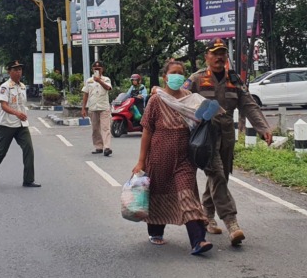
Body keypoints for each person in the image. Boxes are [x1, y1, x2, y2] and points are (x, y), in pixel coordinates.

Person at [185, 37, 273, 246]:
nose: (219, 57)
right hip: (205, 137)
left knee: (221, 175)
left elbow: (248, 104)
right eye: (214, 53)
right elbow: (183, 101)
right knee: (217, 175)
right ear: (206, 57)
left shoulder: (234, 79)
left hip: (227, 135)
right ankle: (231, 221)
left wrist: (263, 127)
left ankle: (207, 214)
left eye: (222, 53)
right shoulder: (196, 79)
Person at [131, 60, 213, 255]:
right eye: (173, 73)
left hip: (185, 157)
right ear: (165, 77)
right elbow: (147, 131)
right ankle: (155, 231)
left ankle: (198, 240)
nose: (177, 76)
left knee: (187, 195)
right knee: (158, 194)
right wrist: (141, 161)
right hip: (159, 156)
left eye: (181, 73)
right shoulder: (156, 100)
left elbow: (204, 120)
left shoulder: (191, 99)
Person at [0, 60, 40, 187]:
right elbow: (4, 105)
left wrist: (21, 114)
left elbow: (22, 104)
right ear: (9, 72)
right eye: (15, 70)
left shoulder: (23, 86)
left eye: (20, 69)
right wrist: (17, 113)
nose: (18, 72)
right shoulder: (5, 86)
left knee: (28, 149)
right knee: (2, 152)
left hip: (21, 125)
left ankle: (28, 180)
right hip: (7, 124)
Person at [81, 60, 113, 156]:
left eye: (99, 69)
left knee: (105, 128)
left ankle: (107, 147)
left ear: (102, 69)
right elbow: (85, 94)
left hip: (104, 107)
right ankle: (98, 146)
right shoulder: (89, 81)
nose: (97, 70)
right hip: (93, 107)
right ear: (92, 69)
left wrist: (99, 80)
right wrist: (83, 108)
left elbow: (108, 88)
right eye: (95, 69)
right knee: (95, 129)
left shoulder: (106, 79)